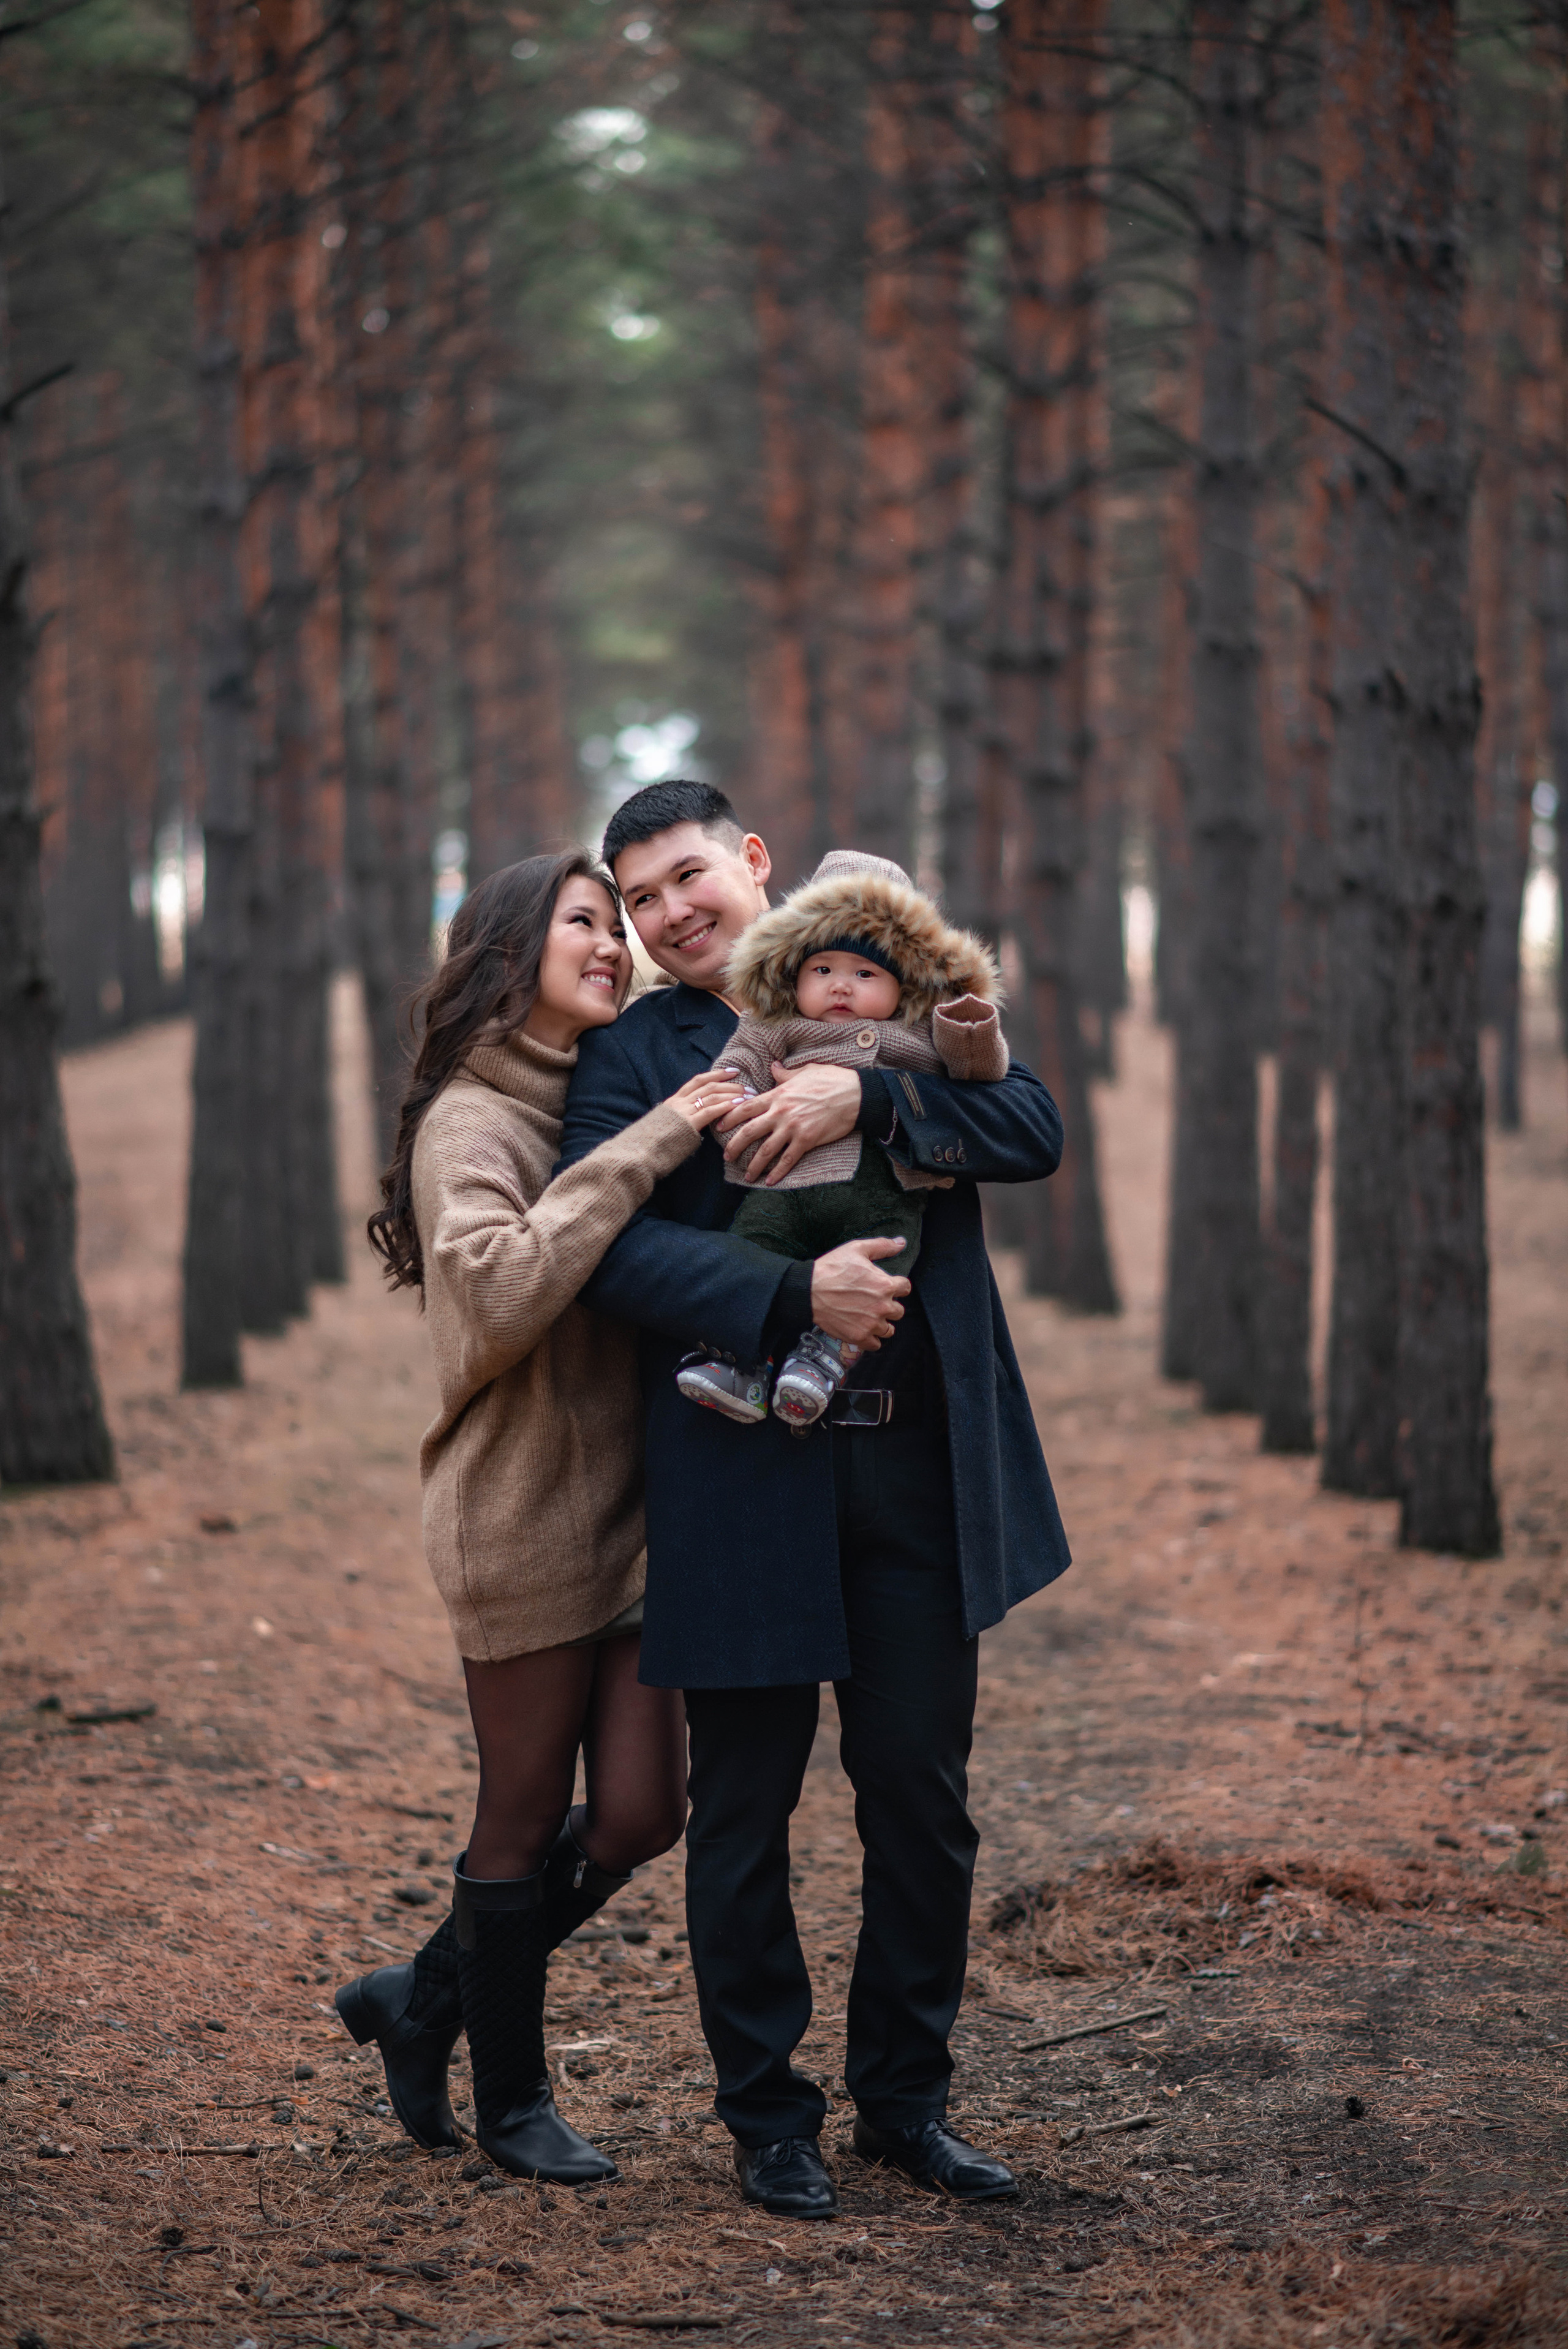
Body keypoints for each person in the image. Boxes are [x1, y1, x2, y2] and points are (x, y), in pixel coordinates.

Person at [557, 781, 1072, 2219]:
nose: (668, 912)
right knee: (744, 1808)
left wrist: (872, 1089)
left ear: (751, 861)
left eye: (686, 874)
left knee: (918, 1797)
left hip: (912, 1463)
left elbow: (1026, 1124)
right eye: (639, 895)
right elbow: (606, 1255)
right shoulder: (639, 1055)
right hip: (737, 1468)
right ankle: (764, 2112)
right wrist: (792, 1286)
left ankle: (905, 2101)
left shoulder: (889, 981)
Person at [333, 849, 743, 2185]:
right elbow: (505, 1300)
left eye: (616, 930)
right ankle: (509, 2100)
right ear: (511, 950)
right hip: (516, 1515)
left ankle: (427, 1997)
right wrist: (659, 1136)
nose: (617, 946)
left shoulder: (590, 1089)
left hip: (632, 1513)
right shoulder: (471, 1121)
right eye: (587, 922)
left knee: (637, 1812)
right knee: (518, 1813)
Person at [676, 846, 1009, 1430]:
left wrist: (966, 1021)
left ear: (903, 984)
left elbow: (978, 1072)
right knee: (753, 1245)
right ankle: (744, 1368)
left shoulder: (915, 1033)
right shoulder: (773, 1024)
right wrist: (741, 1106)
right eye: (822, 970)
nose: (840, 988)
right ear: (793, 971)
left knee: (884, 1263)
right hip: (782, 1187)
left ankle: (825, 1360)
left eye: (865, 974)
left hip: (880, 1196)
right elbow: (738, 1066)